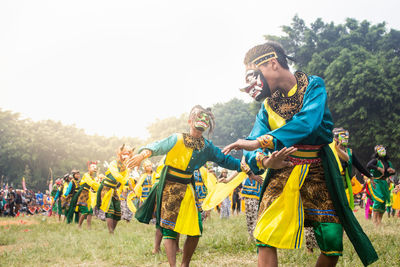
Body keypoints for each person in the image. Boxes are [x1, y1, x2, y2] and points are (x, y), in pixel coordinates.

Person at [222, 41, 377, 266]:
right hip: (282, 171)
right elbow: (251, 150)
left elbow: (308, 122)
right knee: (265, 234)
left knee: (332, 240)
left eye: (253, 75)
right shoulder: (267, 107)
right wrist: (266, 161)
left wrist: (260, 142)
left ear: (272, 63)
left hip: (318, 170)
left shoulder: (313, 85)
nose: (252, 84)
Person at [130, 105, 257, 267]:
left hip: (188, 189)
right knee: (168, 229)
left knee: (196, 230)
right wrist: (143, 154)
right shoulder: (176, 138)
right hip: (169, 187)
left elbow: (226, 160)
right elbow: (158, 146)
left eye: (206, 119)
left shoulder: (207, 147)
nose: (202, 121)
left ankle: (185, 264)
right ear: (190, 121)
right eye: (198, 117)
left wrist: (248, 169)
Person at [96, 145, 135, 234]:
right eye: (124, 153)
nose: (126, 156)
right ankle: (111, 232)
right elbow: (116, 175)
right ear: (120, 154)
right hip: (106, 188)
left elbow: (126, 177)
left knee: (118, 212)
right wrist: (125, 181)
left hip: (114, 190)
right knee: (110, 210)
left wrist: (130, 187)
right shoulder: (113, 163)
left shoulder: (125, 167)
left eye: (128, 154)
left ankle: (112, 231)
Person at [332, 128, 372, 209]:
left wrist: (370, 176)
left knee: (345, 204)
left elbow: (359, 166)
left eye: (346, 137)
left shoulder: (349, 152)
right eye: (342, 136)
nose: (345, 139)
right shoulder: (330, 150)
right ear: (336, 138)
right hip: (333, 179)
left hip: (345, 181)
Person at [367, 145, 396, 226]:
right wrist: (378, 168)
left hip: (384, 182)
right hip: (376, 182)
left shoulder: (388, 162)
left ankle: (379, 221)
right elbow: (368, 165)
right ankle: (374, 220)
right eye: (379, 149)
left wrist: (392, 171)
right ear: (376, 152)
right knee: (379, 199)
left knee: (383, 202)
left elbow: (392, 172)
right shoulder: (375, 161)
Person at [67, 161, 100, 228]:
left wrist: (99, 187)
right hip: (82, 195)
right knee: (84, 211)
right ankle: (79, 226)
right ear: (89, 168)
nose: (94, 168)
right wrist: (100, 187)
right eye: (92, 167)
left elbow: (95, 186)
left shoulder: (92, 177)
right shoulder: (86, 175)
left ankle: (88, 227)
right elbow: (91, 183)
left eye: (95, 167)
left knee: (90, 211)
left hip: (88, 195)